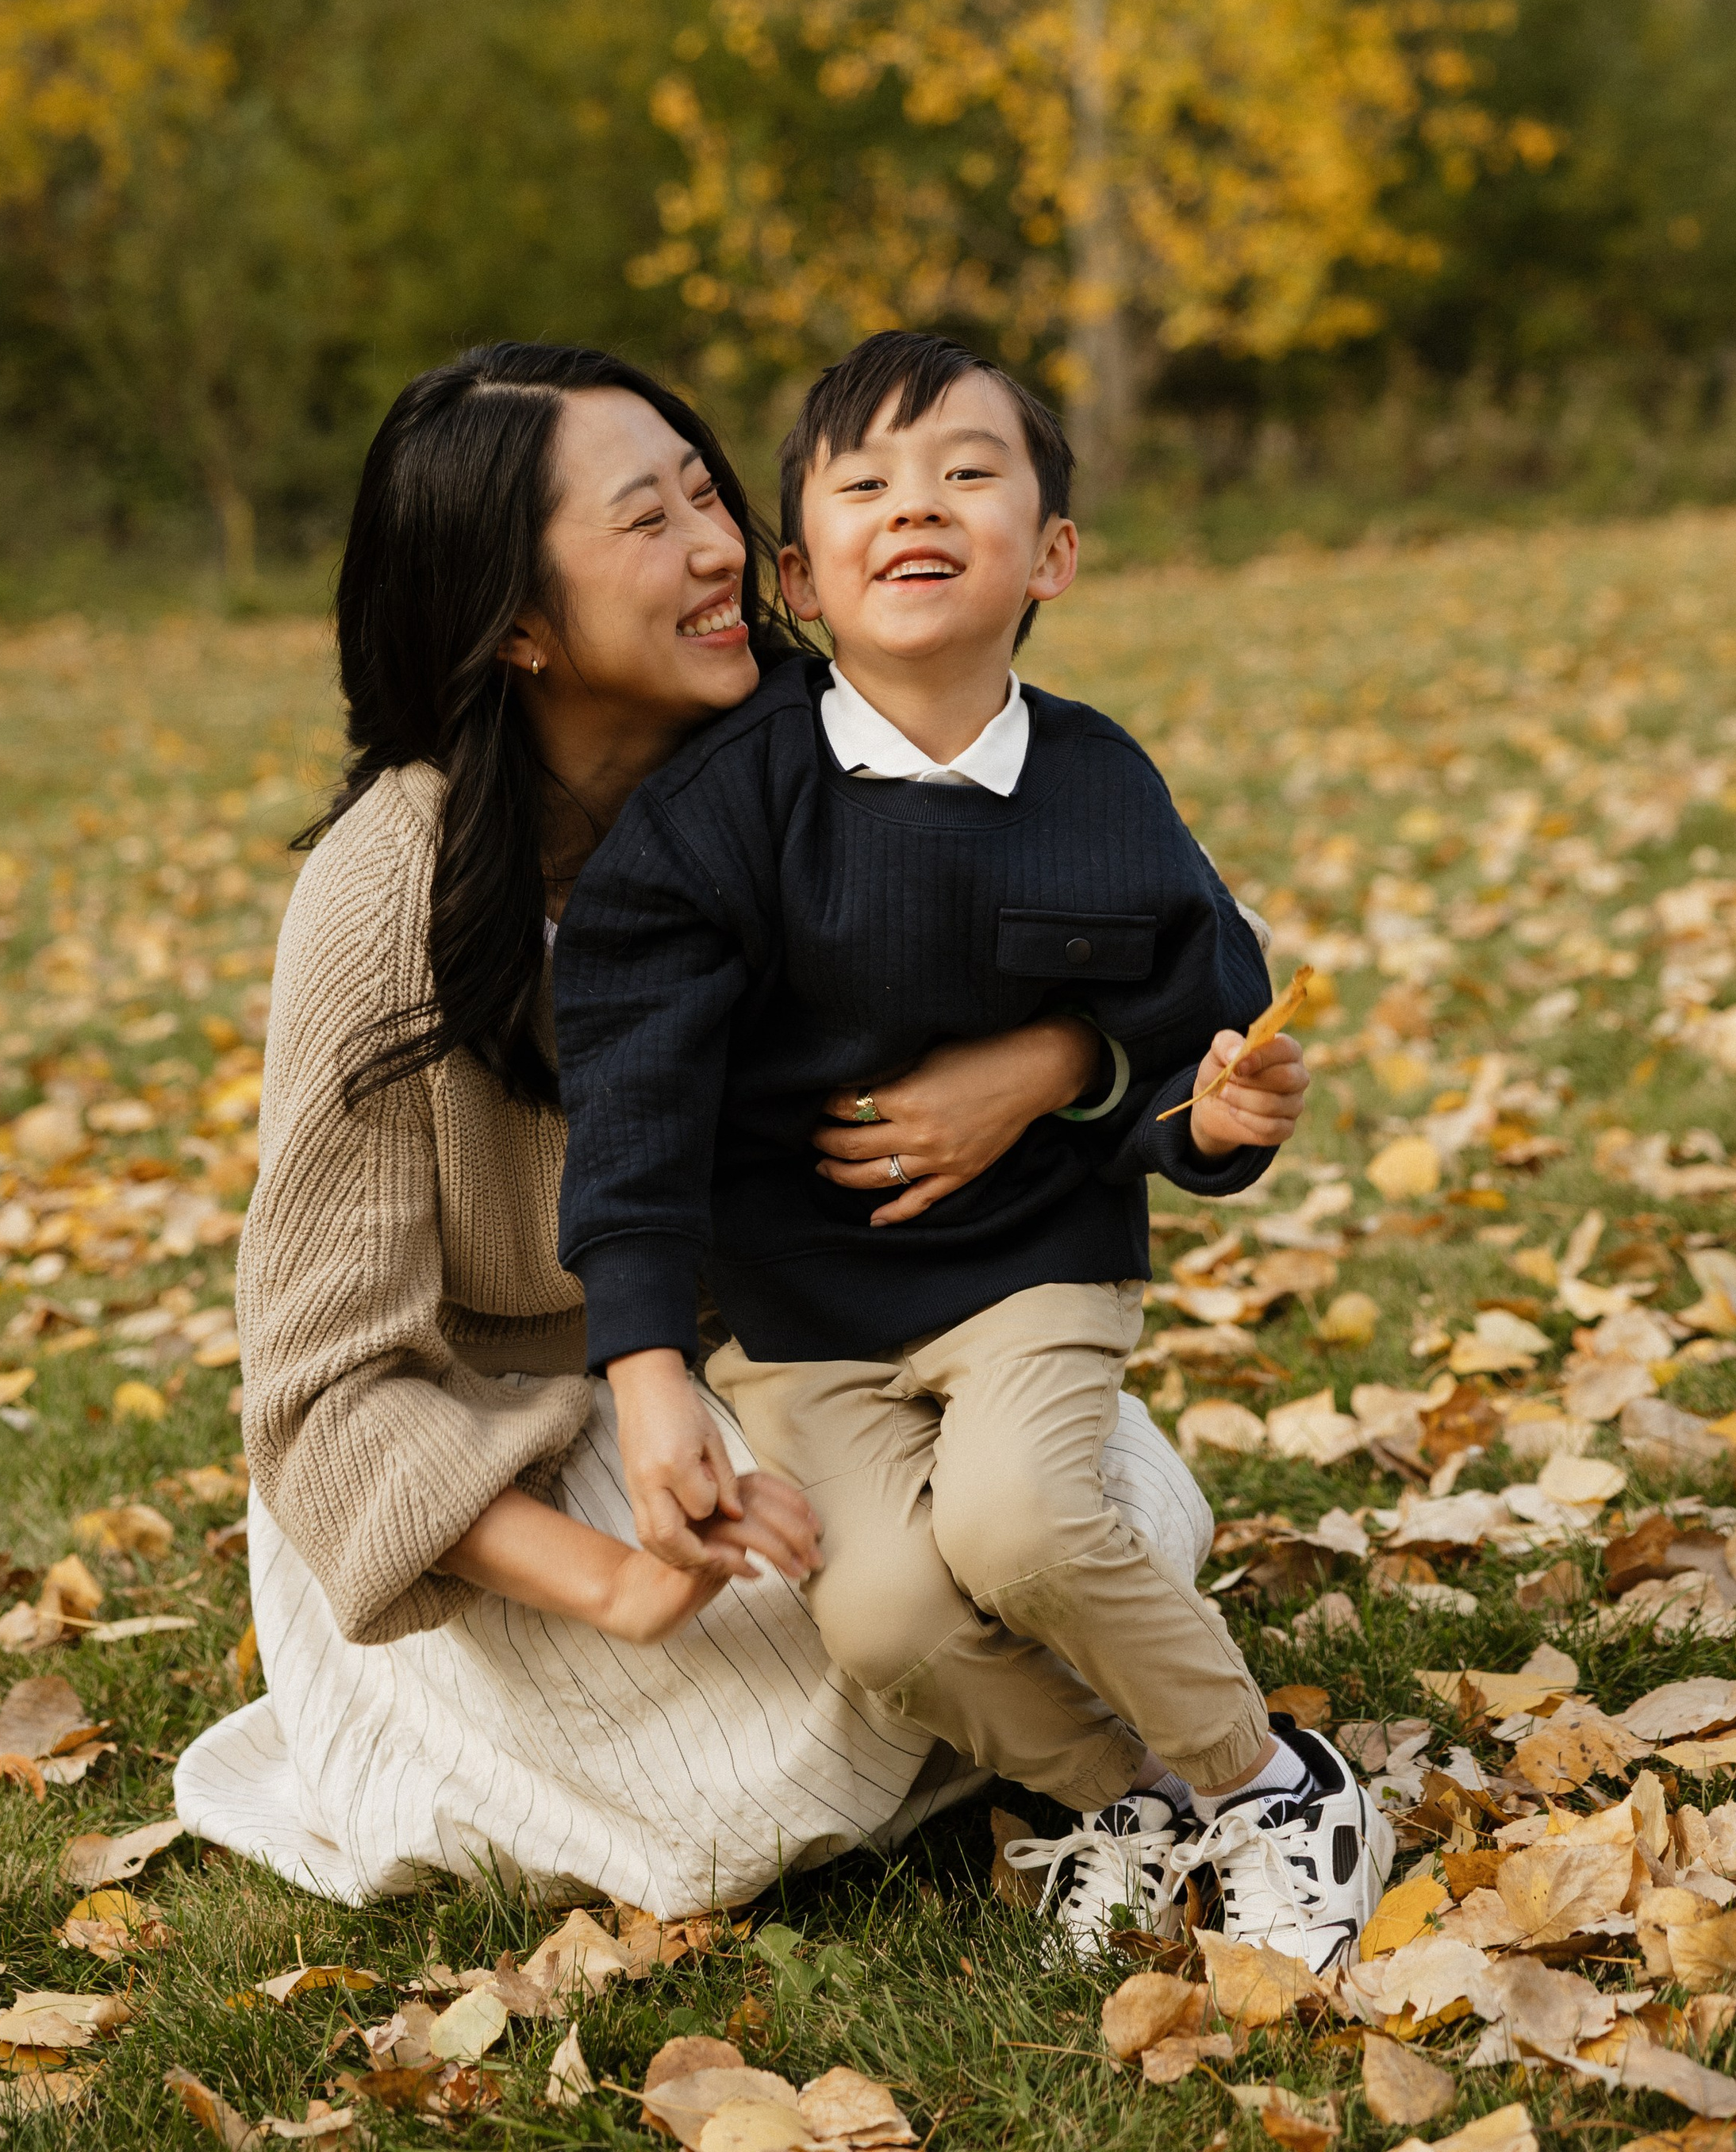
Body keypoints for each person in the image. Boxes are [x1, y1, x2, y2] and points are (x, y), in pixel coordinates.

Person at [175, 339, 1263, 1914]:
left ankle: (1111, 1759)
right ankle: (1029, 1760)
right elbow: (323, 1391)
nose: (713, 550)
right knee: (814, 1644)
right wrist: (613, 1581)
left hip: (818, 1341)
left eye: (705, 488)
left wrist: (1048, 1062)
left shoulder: (820, 734)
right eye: (644, 519)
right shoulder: (385, 891)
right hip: (520, 1462)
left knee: (1079, 1524)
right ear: (516, 622)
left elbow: (1178, 923)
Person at [554, 331, 1387, 1966]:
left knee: (1018, 1525)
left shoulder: (1097, 785)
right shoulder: (719, 814)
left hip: (1030, 1262)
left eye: (963, 472)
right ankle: (1125, 1793)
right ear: (800, 566)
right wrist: (644, 1351)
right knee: (880, 1616)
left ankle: (1275, 1786)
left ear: (1050, 555)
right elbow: (634, 1105)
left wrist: (1205, 1123)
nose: (911, 506)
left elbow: (1190, 1021)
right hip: (797, 1309)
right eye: (863, 483)